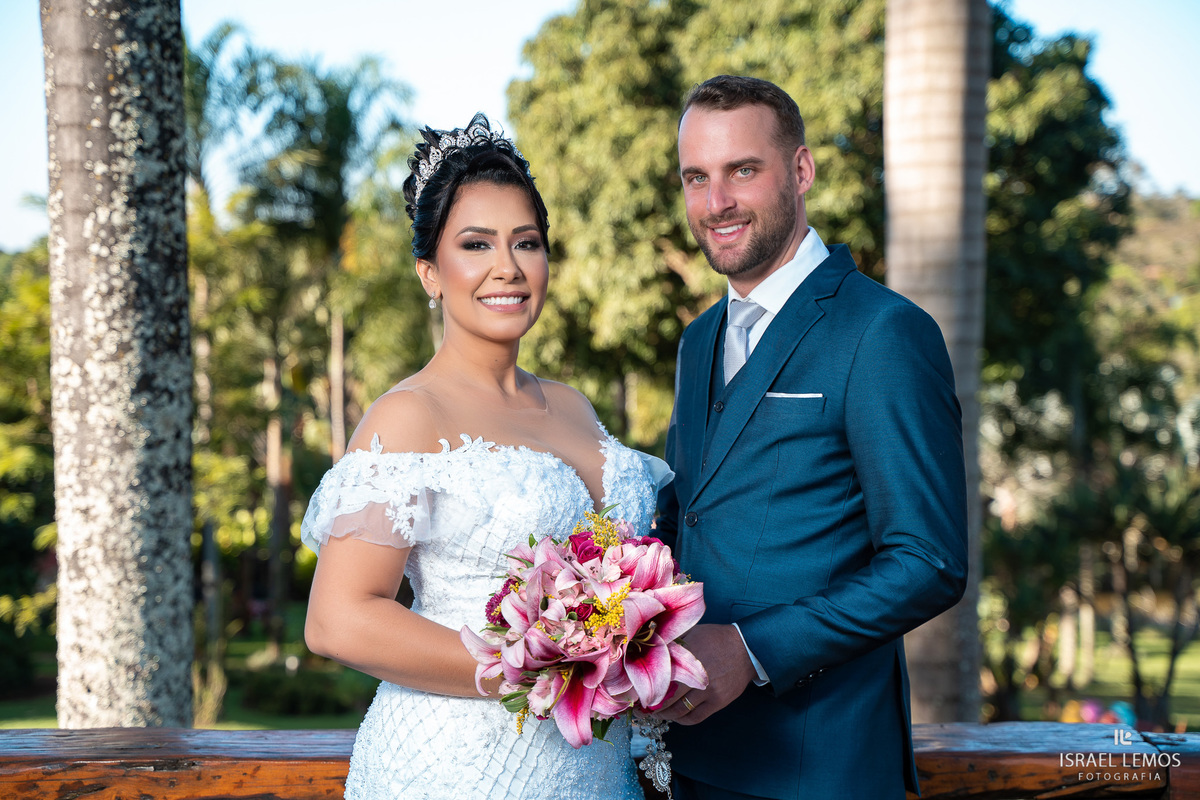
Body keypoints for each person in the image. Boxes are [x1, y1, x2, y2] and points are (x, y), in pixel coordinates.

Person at [301, 113, 669, 800]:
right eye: (476, 244)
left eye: (526, 243)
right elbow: (338, 619)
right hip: (457, 768)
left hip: (594, 767)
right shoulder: (409, 416)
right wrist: (539, 668)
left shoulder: (575, 408)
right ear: (430, 273)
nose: (508, 267)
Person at [652, 75, 969, 799]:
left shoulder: (884, 331)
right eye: (696, 178)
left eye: (743, 171)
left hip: (822, 766)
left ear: (801, 171)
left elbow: (929, 561)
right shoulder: (698, 341)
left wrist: (751, 649)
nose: (716, 202)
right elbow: (695, 518)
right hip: (690, 755)